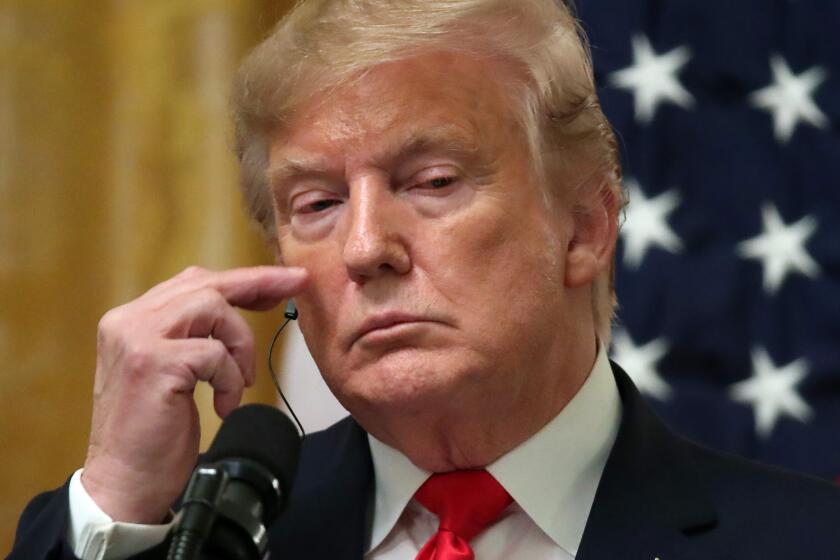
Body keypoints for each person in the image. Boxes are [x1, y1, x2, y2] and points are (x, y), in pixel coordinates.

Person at [10, 0, 840, 558]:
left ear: (585, 226)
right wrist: (118, 504)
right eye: (319, 202)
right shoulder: (210, 540)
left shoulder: (806, 539)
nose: (366, 246)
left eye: (433, 182)